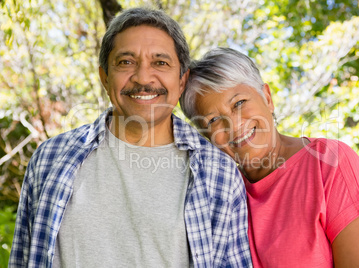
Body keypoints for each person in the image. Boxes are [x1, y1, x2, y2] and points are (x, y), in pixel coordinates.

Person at [9, 10, 252, 267]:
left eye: (160, 63)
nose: (143, 78)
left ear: (182, 81)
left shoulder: (219, 174)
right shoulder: (50, 158)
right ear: (104, 77)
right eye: (126, 62)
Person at [180, 47, 359, 267]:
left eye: (239, 103)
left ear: (267, 97)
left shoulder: (330, 163)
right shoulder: (221, 194)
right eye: (213, 120)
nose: (233, 125)